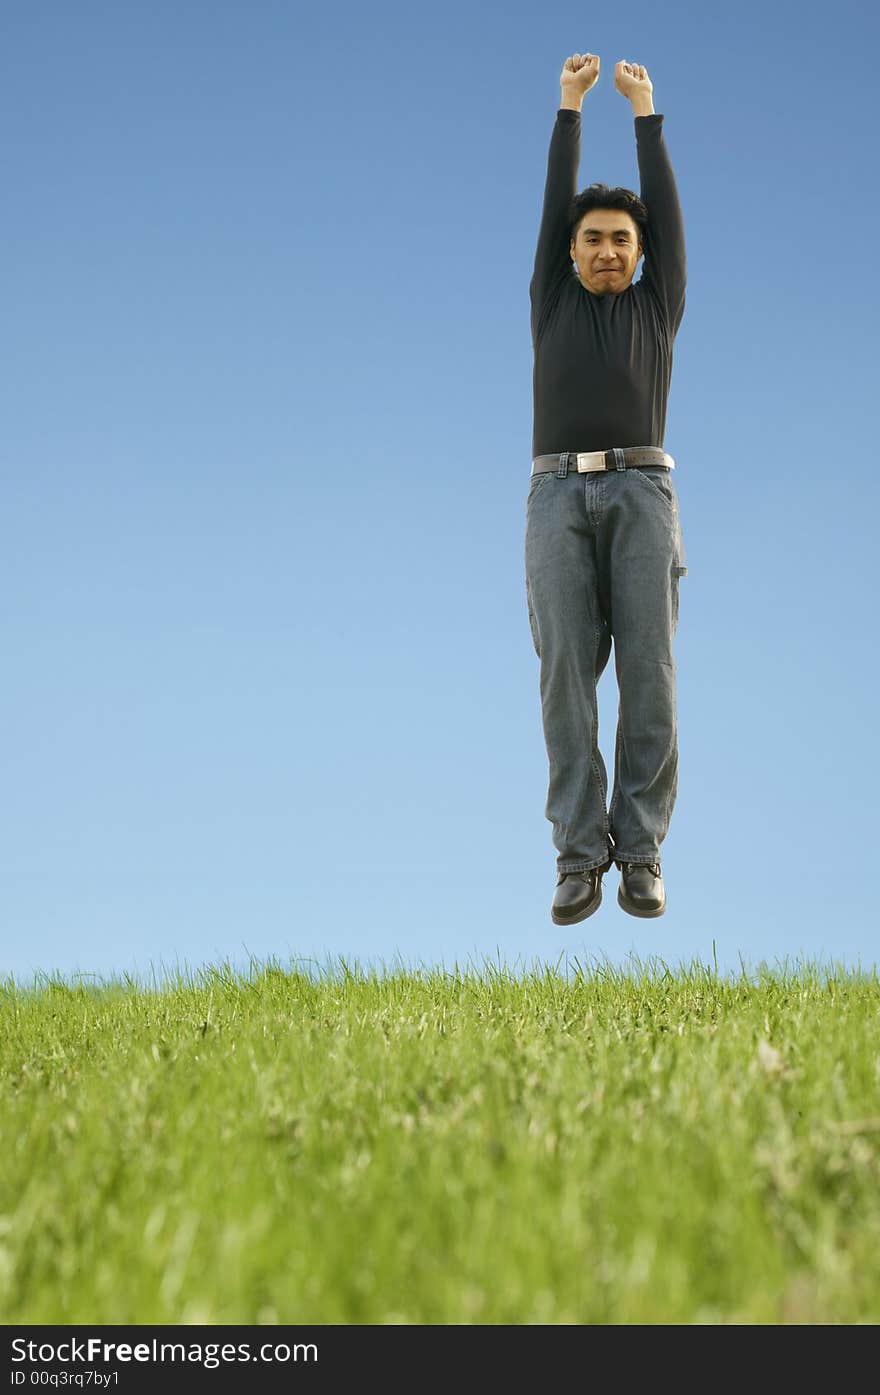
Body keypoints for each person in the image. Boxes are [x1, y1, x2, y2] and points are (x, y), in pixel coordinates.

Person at [524, 53, 688, 925]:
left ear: (639, 250)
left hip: (642, 496)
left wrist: (645, 111)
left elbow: (665, 217)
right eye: (593, 238)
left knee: (650, 677)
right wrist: (569, 108)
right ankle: (580, 858)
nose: (607, 249)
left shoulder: (656, 309)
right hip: (556, 500)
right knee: (565, 681)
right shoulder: (551, 300)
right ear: (573, 250)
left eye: (622, 238)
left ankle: (643, 853)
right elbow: (555, 204)